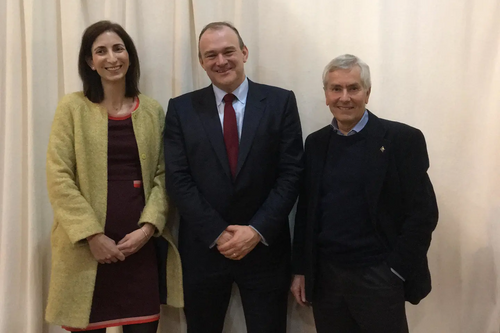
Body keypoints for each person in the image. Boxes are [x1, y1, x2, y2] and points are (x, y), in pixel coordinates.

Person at [164, 22, 303, 333]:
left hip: (265, 249)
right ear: (201, 62)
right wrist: (217, 232)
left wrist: (255, 230)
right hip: (204, 250)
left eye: (228, 51)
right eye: (210, 55)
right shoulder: (180, 109)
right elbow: (178, 179)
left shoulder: (280, 102)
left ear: (244, 52)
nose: (221, 61)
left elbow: (291, 173)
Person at [45, 20, 183, 332]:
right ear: (89, 62)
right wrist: (93, 236)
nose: (112, 58)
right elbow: (59, 176)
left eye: (118, 48)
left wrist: (147, 229)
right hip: (85, 253)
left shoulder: (151, 110)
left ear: (130, 55)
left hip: (139, 251)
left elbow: (164, 175)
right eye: (101, 51)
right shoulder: (71, 108)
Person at [291, 54, 438, 333]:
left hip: (378, 277)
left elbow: (423, 214)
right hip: (327, 278)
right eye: (336, 89)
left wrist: (395, 271)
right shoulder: (315, 144)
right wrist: (302, 269)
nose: (344, 97)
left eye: (353, 88)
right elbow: (307, 212)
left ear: (367, 93)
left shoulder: (402, 140)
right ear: (326, 95)